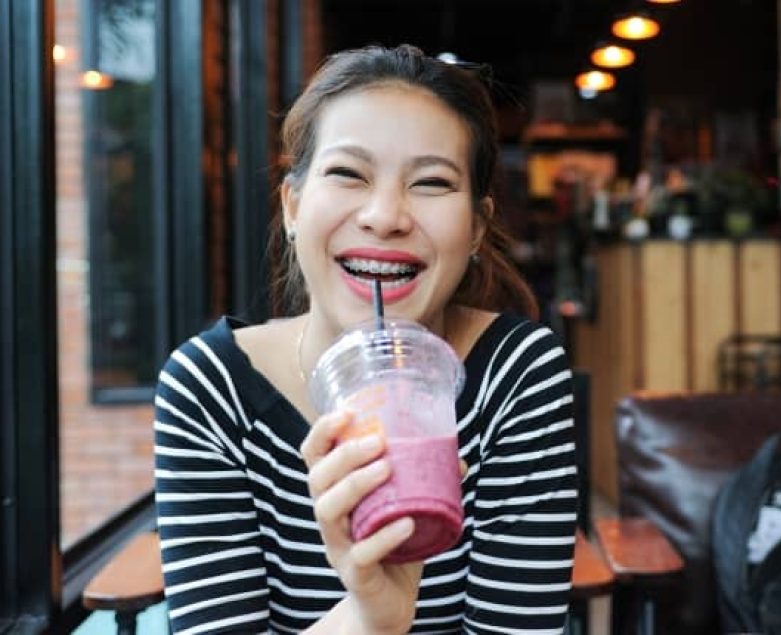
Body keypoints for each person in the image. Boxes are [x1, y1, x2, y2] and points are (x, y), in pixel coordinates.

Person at [153, 44, 578, 634]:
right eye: (348, 174)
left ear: (477, 228)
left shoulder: (516, 375)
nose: (385, 215)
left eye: (431, 182)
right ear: (294, 204)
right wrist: (370, 617)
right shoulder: (211, 389)